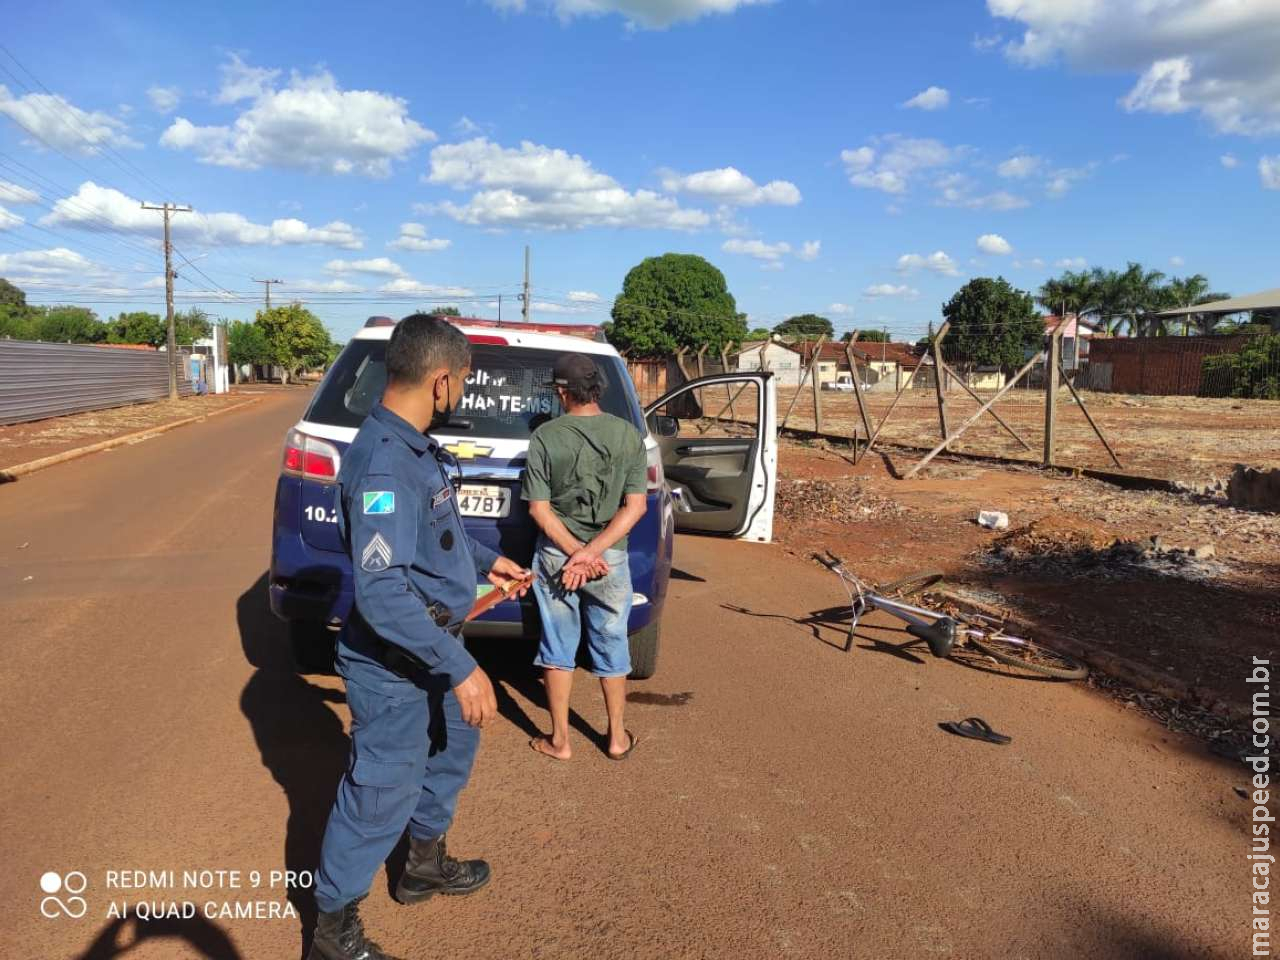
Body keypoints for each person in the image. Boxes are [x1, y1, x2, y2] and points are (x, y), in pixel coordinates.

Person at [310, 314, 531, 960]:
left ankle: (422, 864)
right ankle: (331, 932)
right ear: (440, 381)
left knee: (449, 755)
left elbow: (438, 534)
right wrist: (461, 668)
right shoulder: (383, 465)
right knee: (381, 789)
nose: (459, 392)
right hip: (396, 660)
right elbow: (382, 593)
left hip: (434, 650)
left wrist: (487, 560)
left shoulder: (413, 447)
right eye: (461, 381)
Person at [523, 352, 648, 762]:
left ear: (562, 392)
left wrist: (576, 553)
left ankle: (560, 741)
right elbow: (635, 508)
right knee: (612, 642)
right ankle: (615, 738)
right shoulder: (629, 435)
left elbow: (539, 510)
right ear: (596, 390)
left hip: (558, 557)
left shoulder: (544, 437)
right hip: (609, 559)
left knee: (558, 646)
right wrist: (594, 553)